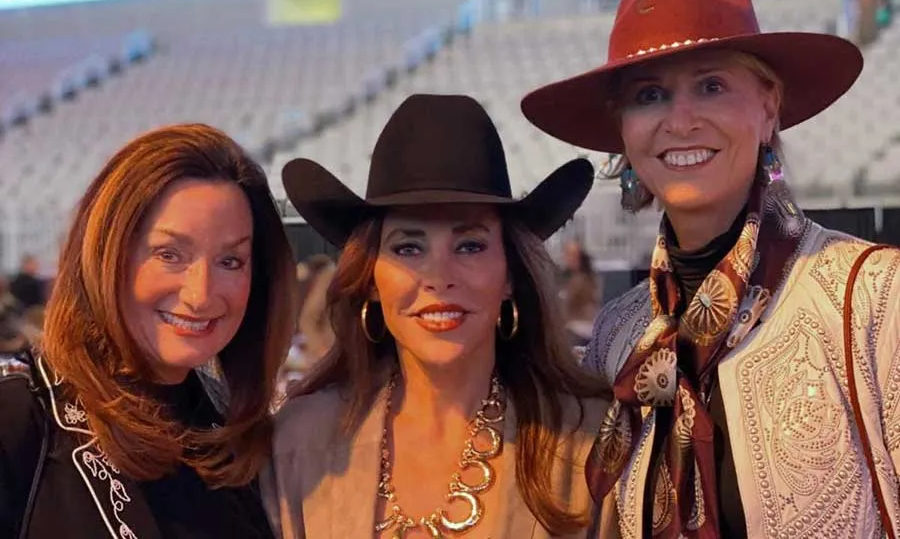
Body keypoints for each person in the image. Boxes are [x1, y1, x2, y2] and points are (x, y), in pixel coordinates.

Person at [522, 0, 899, 539]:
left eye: (711, 85)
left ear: (768, 106)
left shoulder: (874, 298)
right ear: (623, 129)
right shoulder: (616, 337)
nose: (680, 120)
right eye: (650, 95)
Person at [262, 94, 616, 538]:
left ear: (510, 275)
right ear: (371, 278)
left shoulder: (588, 438)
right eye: (408, 248)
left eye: (469, 246)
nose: (438, 277)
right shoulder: (298, 440)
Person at [0, 123, 297, 538]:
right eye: (169, 254)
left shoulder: (236, 438)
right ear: (106, 253)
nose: (200, 294)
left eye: (230, 261)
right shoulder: (18, 416)